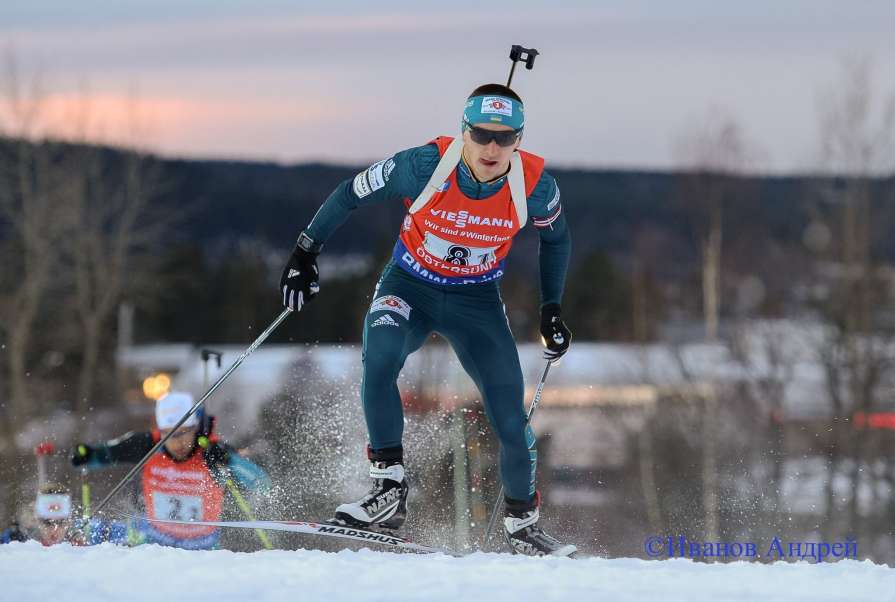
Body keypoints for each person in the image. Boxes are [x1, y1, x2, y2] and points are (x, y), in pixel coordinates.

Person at [279, 83, 575, 556]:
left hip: (475, 301)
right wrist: (305, 252)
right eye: (481, 135)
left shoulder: (535, 184)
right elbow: (348, 193)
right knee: (379, 361)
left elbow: (557, 240)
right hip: (409, 286)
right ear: (464, 133)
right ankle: (387, 491)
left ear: (519, 138)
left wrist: (551, 308)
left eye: (505, 137)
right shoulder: (422, 165)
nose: (492, 147)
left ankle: (524, 525)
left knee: (509, 416)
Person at [71, 391, 271, 550]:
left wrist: (230, 461)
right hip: (154, 542)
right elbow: (105, 454)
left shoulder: (212, 452)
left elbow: (262, 483)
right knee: (97, 530)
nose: (178, 442)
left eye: (184, 432)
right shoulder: (149, 444)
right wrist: (87, 455)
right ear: (161, 431)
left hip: (202, 547)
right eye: (169, 434)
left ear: (196, 428)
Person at [0, 483, 128, 546]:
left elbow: (131, 533)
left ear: (70, 520)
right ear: (36, 520)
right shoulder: (19, 540)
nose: (54, 529)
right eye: (47, 522)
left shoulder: (86, 532)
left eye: (61, 522)